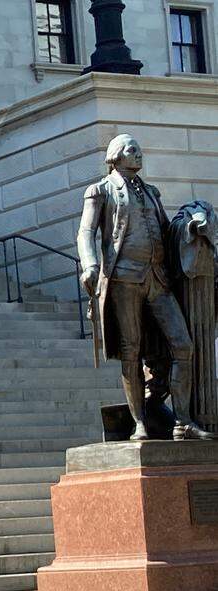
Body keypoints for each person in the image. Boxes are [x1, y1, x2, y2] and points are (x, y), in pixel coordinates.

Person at [76, 132, 214, 441]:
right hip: (124, 278)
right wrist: (89, 266)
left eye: (138, 150)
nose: (139, 155)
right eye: (132, 150)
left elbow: (166, 232)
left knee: (183, 345)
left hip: (158, 278)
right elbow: (85, 233)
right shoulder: (100, 191)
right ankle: (139, 422)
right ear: (117, 155)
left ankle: (182, 421)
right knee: (131, 350)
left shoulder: (151, 192)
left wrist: (192, 223)